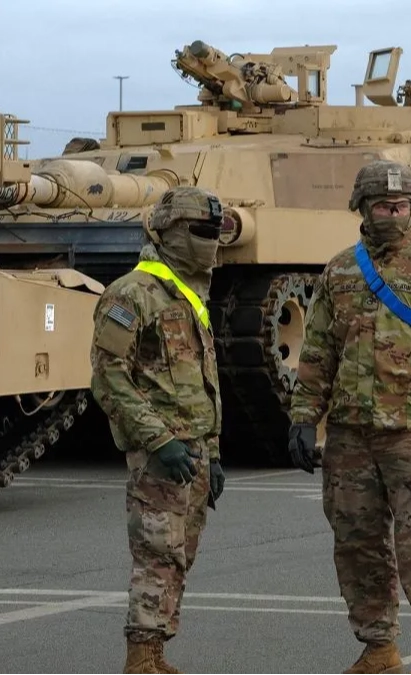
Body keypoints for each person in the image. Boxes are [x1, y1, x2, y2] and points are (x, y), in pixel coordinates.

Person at [288, 160, 411, 675]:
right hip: (350, 435)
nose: (393, 215)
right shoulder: (339, 272)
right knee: (357, 544)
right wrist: (304, 417)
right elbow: (317, 350)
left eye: (400, 206)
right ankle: (379, 648)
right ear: (362, 208)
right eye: (382, 206)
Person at [90, 185, 227, 675]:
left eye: (214, 231)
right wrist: (160, 439)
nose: (209, 240)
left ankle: (156, 651)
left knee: (179, 555)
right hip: (159, 453)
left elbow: (201, 380)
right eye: (198, 231)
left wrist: (212, 451)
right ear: (166, 232)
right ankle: (141, 656)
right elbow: (109, 377)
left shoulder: (189, 295)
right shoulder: (132, 293)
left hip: (193, 451)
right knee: (157, 554)